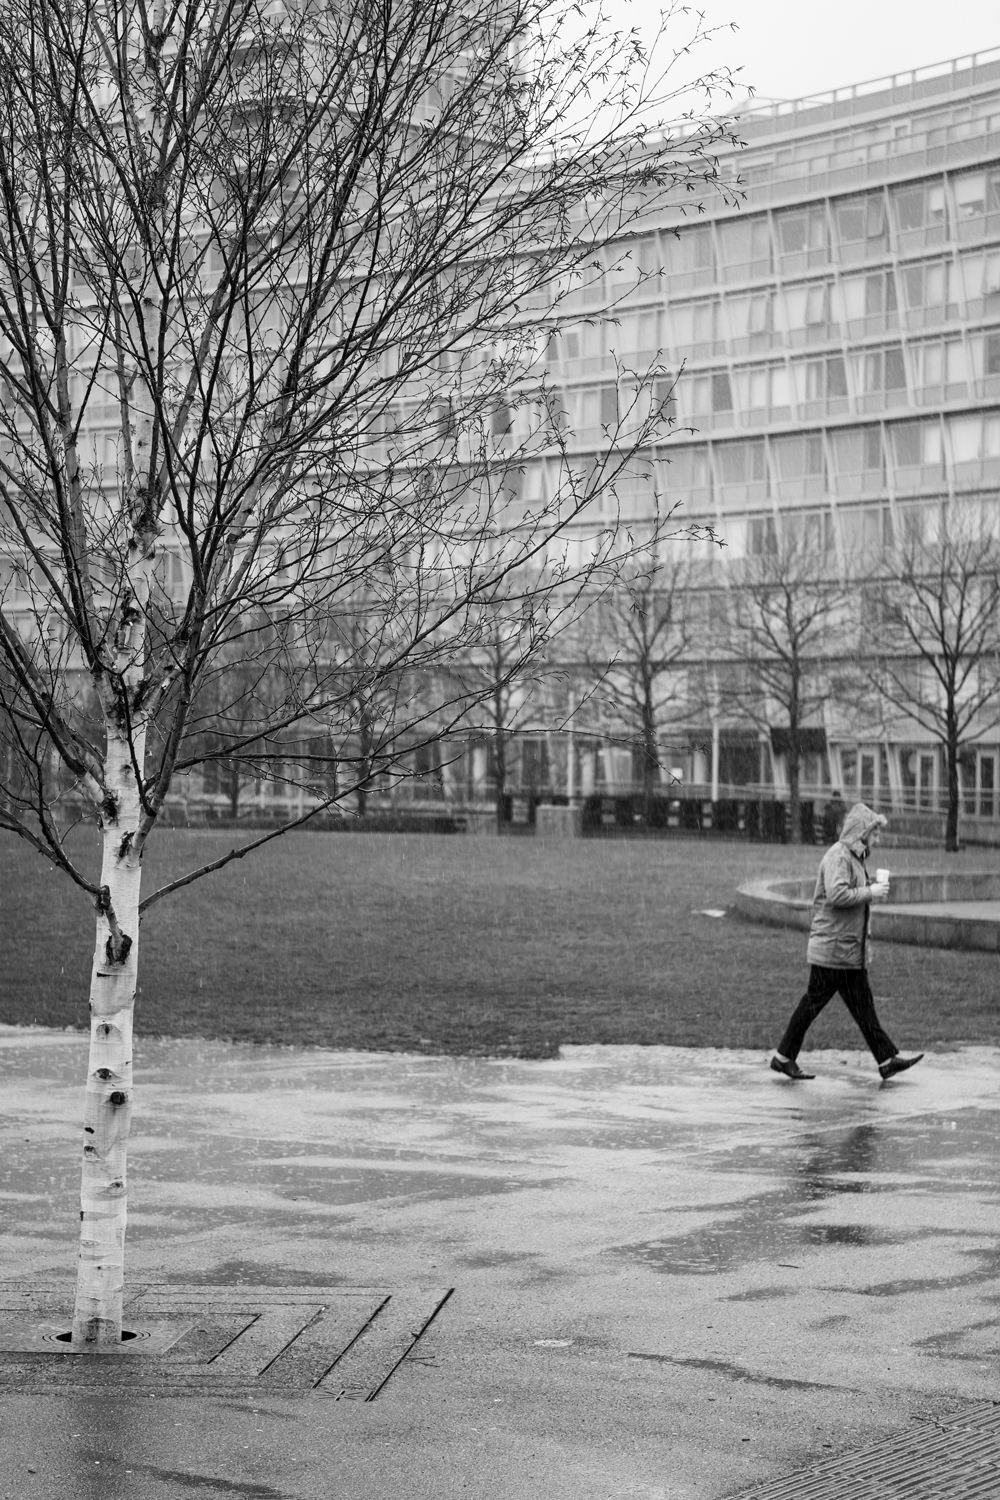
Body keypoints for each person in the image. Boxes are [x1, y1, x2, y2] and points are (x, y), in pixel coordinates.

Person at [769, 801, 923, 1083]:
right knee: (817, 1004)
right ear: (861, 832)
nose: (878, 839)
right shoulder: (838, 857)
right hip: (834, 950)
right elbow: (837, 895)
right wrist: (870, 891)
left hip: (846, 951)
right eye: (874, 833)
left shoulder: (854, 857)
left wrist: (869, 890)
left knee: (860, 1007)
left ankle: (886, 1059)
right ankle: (783, 1057)